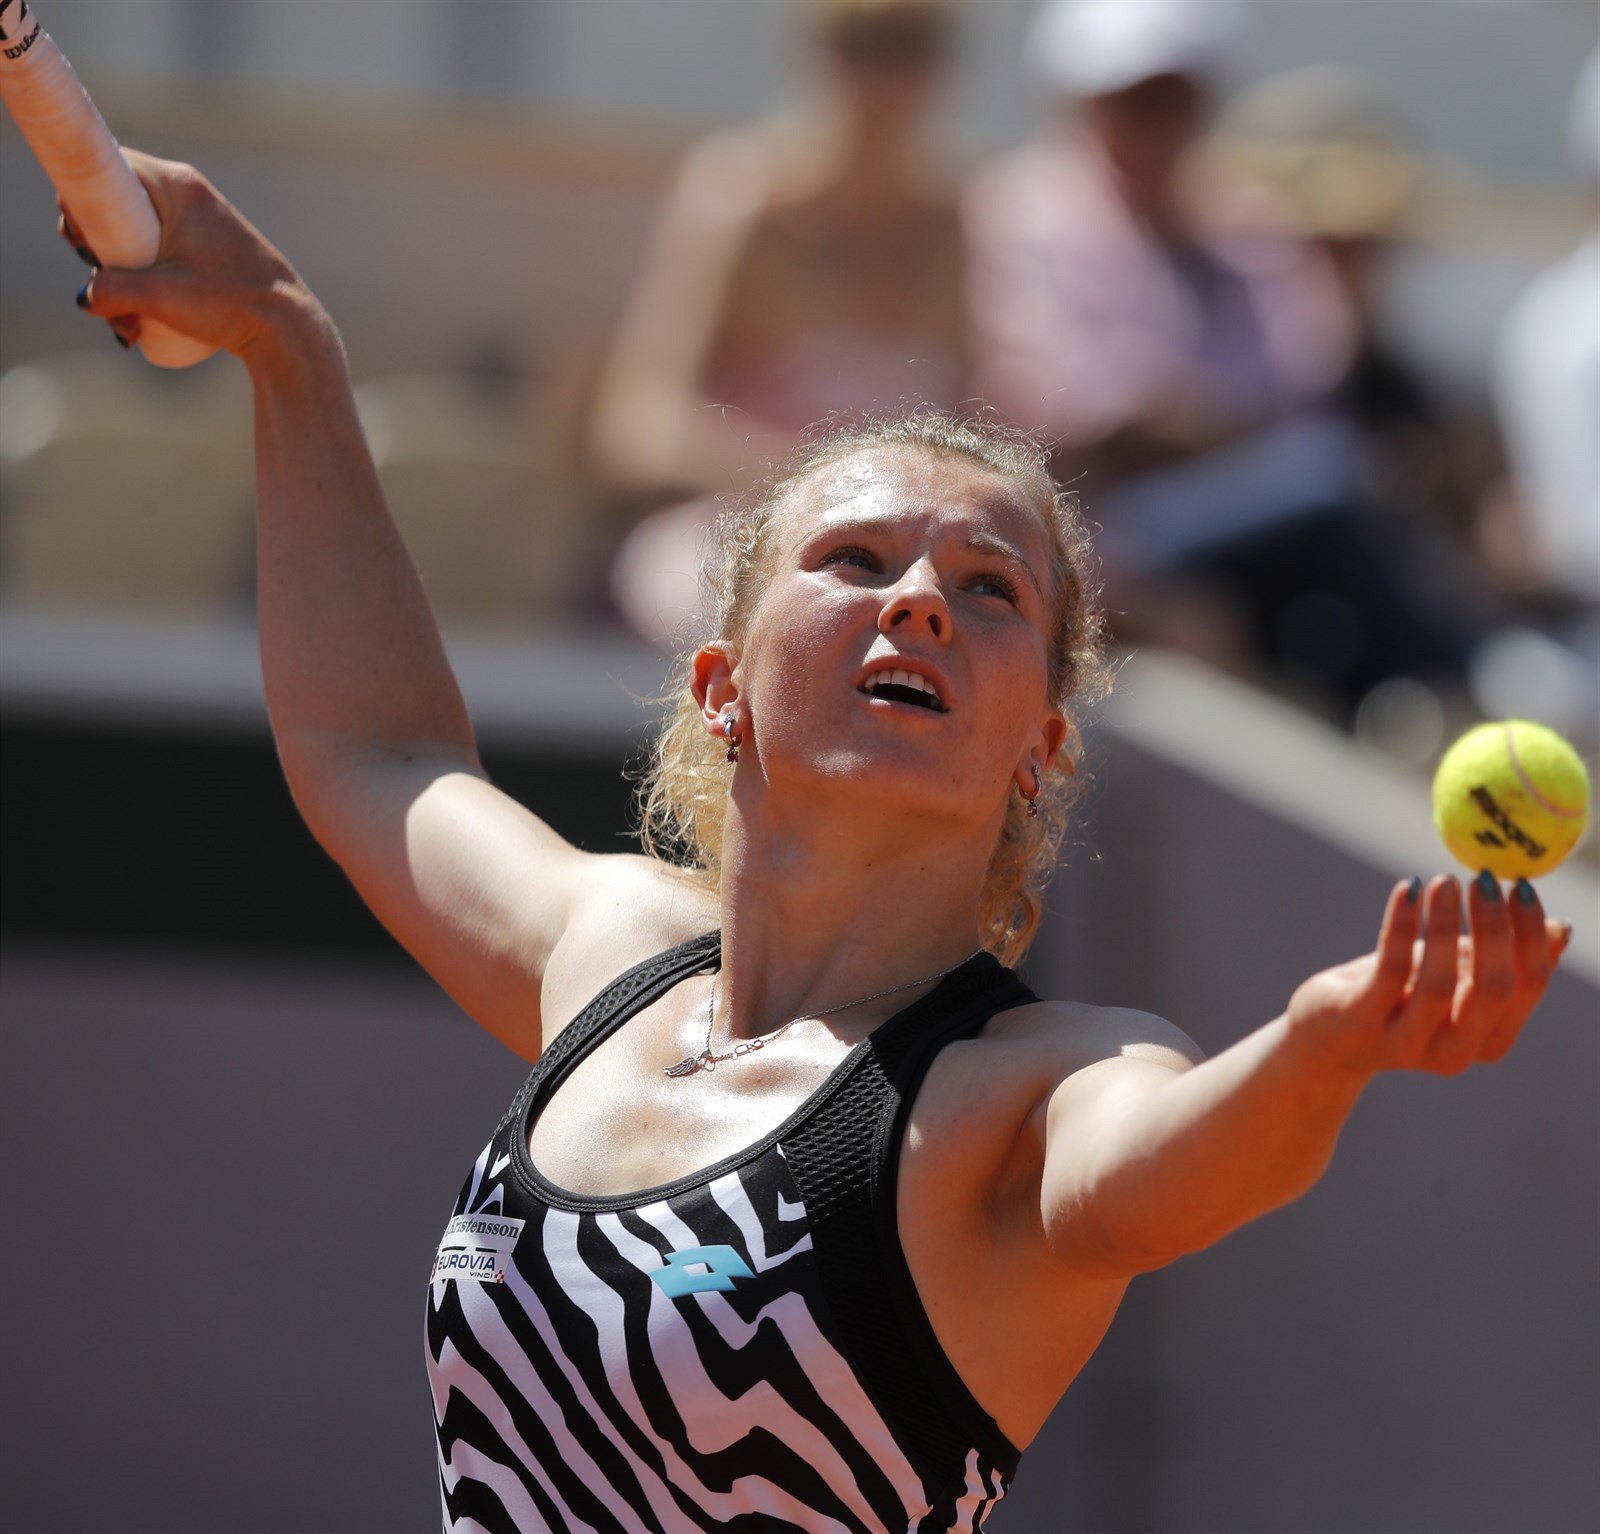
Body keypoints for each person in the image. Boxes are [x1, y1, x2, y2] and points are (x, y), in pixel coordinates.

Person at [69, 151, 1570, 1533]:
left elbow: (1159, 1174)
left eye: (989, 588)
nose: (919, 601)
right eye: (855, 560)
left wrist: (1319, 1048)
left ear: (1042, 746)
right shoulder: (613, 953)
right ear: (721, 683)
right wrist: (287, 343)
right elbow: (377, 754)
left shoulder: (1028, 1084)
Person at [588, 0, 969, 642]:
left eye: (911, 46)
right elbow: (639, 424)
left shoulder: (953, 226)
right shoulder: (742, 201)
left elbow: (975, 419)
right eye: (861, 43)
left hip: (914, 555)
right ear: (817, 52)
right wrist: (823, 482)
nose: (884, 76)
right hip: (745, 530)